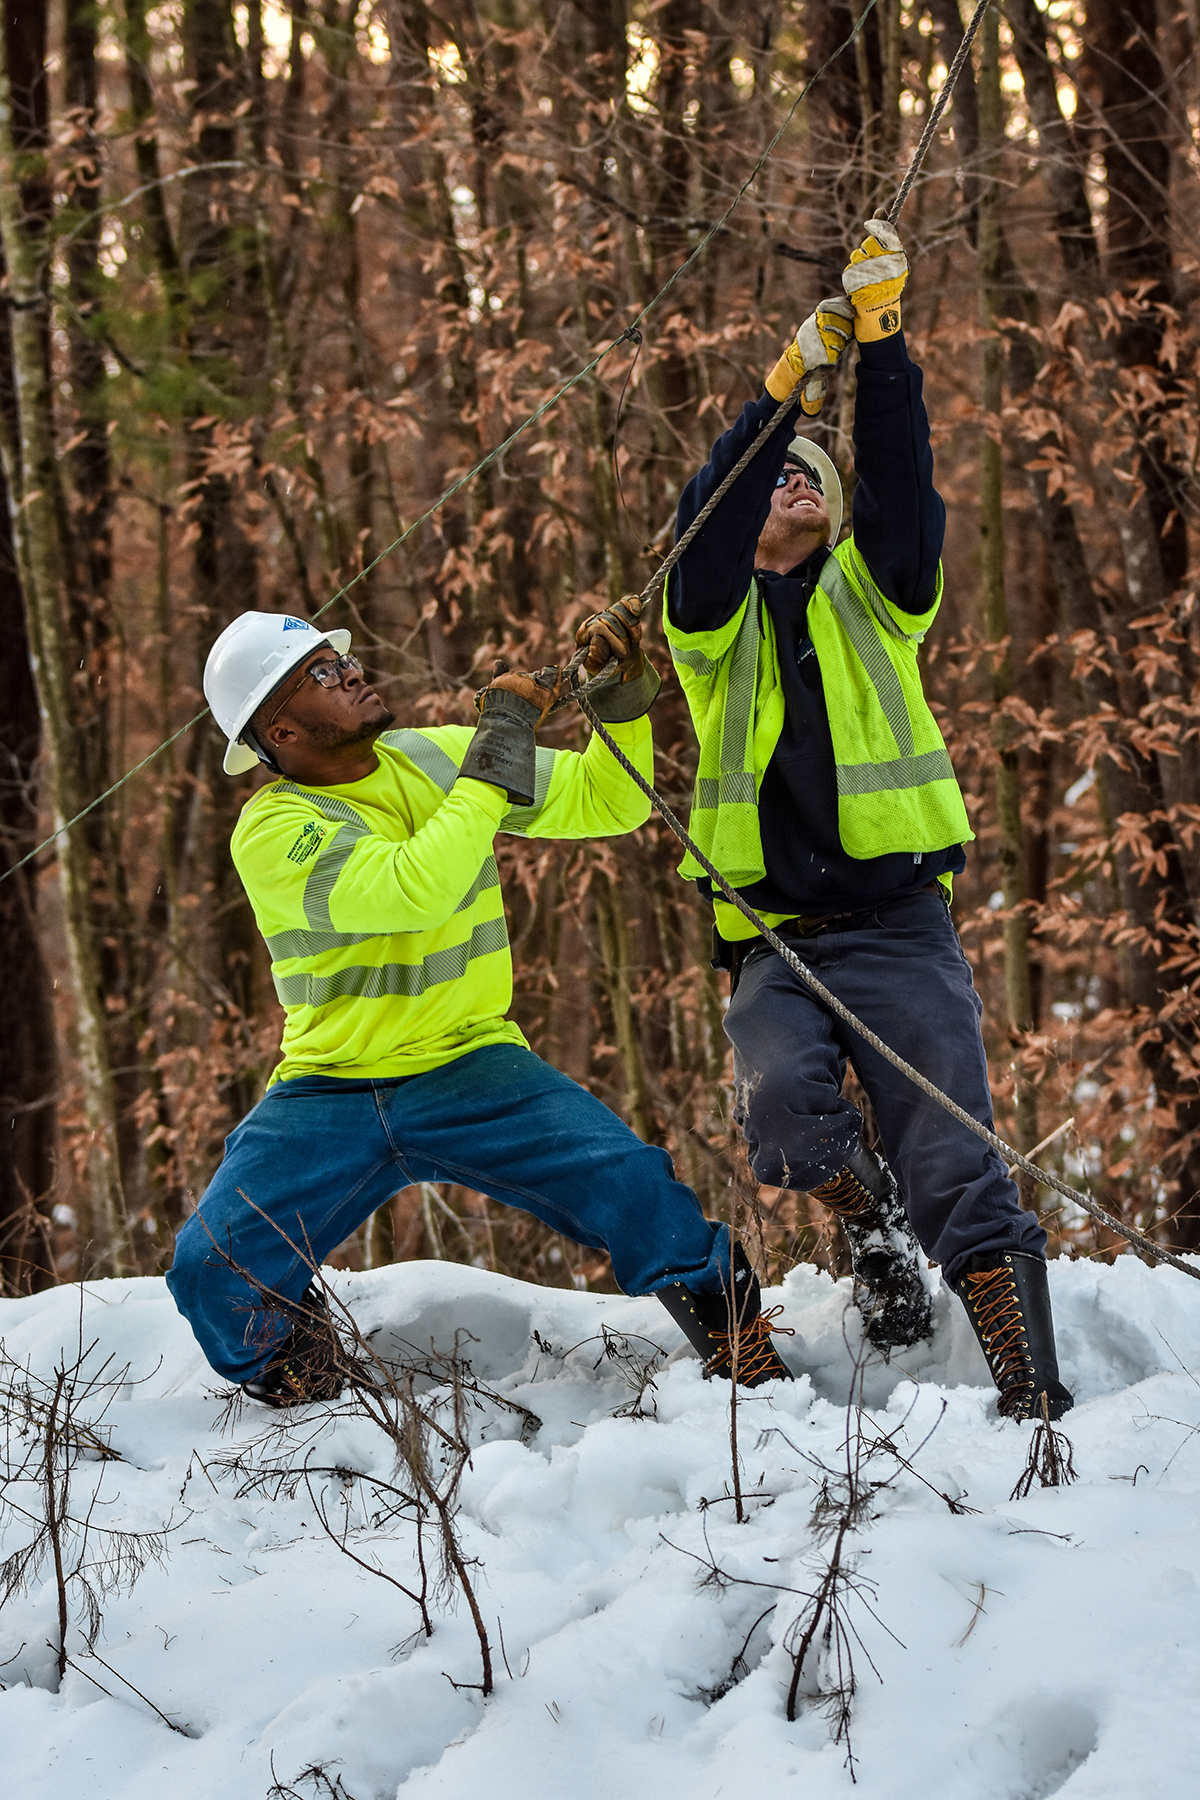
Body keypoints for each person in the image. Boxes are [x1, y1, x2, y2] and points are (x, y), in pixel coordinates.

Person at [166, 602, 792, 1402]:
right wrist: (497, 750)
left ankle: (746, 1359)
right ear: (279, 733)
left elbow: (613, 801)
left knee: (636, 1186)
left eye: (340, 658)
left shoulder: (434, 758)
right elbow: (413, 888)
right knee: (209, 1269)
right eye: (319, 673)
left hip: (475, 1067)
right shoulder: (273, 832)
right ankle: (300, 1376)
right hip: (327, 1092)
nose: (350, 671)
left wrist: (619, 703)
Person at [663, 220, 1072, 1422]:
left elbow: (901, 487)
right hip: (772, 938)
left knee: (953, 1141)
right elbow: (704, 521)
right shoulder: (711, 626)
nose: (792, 480)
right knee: (786, 1108)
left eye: (813, 477)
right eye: (777, 476)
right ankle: (871, 1225)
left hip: (897, 923)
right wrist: (779, 393)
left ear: (838, 521)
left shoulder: (876, 600)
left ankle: (1031, 1390)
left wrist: (882, 348)